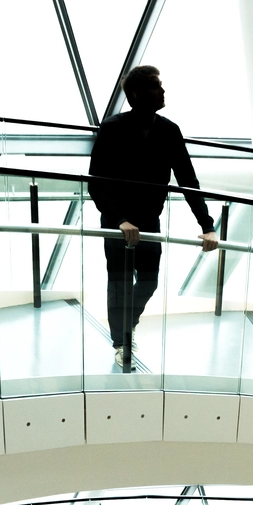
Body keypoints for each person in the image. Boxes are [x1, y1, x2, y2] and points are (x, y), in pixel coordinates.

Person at [88, 65, 218, 368]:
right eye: (154, 86)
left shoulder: (169, 130)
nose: (162, 91)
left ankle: (126, 323)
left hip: (149, 221)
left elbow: (188, 180)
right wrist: (119, 219)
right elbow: (97, 181)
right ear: (135, 94)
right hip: (116, 223)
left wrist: (207, 225)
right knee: (118, 283)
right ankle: (121, 342)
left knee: (149, 281)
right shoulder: (113, 127)